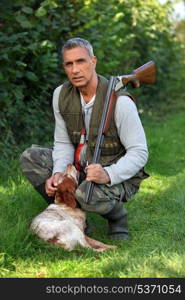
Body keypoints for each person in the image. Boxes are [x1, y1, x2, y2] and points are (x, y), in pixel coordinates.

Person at [20, 37, 149, 241]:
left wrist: (108, 174)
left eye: (80, 61)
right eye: (69, 64)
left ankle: (118, 219)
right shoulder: (61, 95)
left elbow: (140, 152)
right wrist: (59, 174)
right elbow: (63, 143)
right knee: (31, 158)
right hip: (81, 166)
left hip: (114, 171)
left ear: (93, 62)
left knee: (87, 194)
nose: (75, 70)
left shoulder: (121, 102)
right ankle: (74, 217)